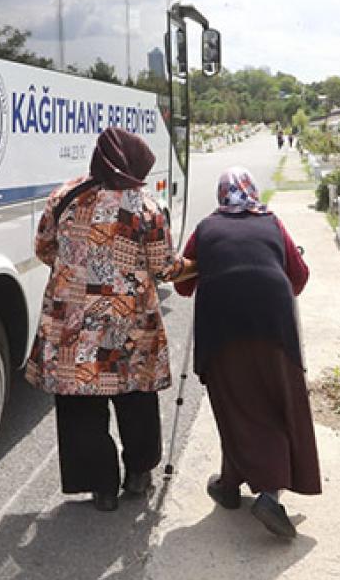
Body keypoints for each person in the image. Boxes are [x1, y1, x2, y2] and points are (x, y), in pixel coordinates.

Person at [27, 126, 184, 511]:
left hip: (73, 324)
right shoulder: (144, 207)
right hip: (128, 324)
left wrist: (77, 278)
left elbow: (44, 249)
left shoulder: (65, 196)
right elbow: (163, 268)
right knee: (135, 397)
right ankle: (138, 474)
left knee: (81, 404)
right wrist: (199, 264)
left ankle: (101, 488)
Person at [174, 166, 319, 538]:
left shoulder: (206, 228)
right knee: (274, 400)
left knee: (236, 404)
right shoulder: (271, 222)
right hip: (273, 324)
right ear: (251, 191)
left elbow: (182, 287)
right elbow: (298, 276)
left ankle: (248, 489)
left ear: (222, 195)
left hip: (220, 328)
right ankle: (249, 489)